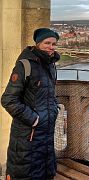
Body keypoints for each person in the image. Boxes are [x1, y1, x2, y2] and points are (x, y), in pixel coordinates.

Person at [1, 27, 60, 180]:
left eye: (54, 44)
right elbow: (8, 99)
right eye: (47, 43)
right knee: (26, 173)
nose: (51, 47)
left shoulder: (51, 64)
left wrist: (54, 109)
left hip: (46, 133)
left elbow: (49, 93)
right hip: (28, 135)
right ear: (38, 43)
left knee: (45, 173)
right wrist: (34, 119)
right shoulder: (24, 65)